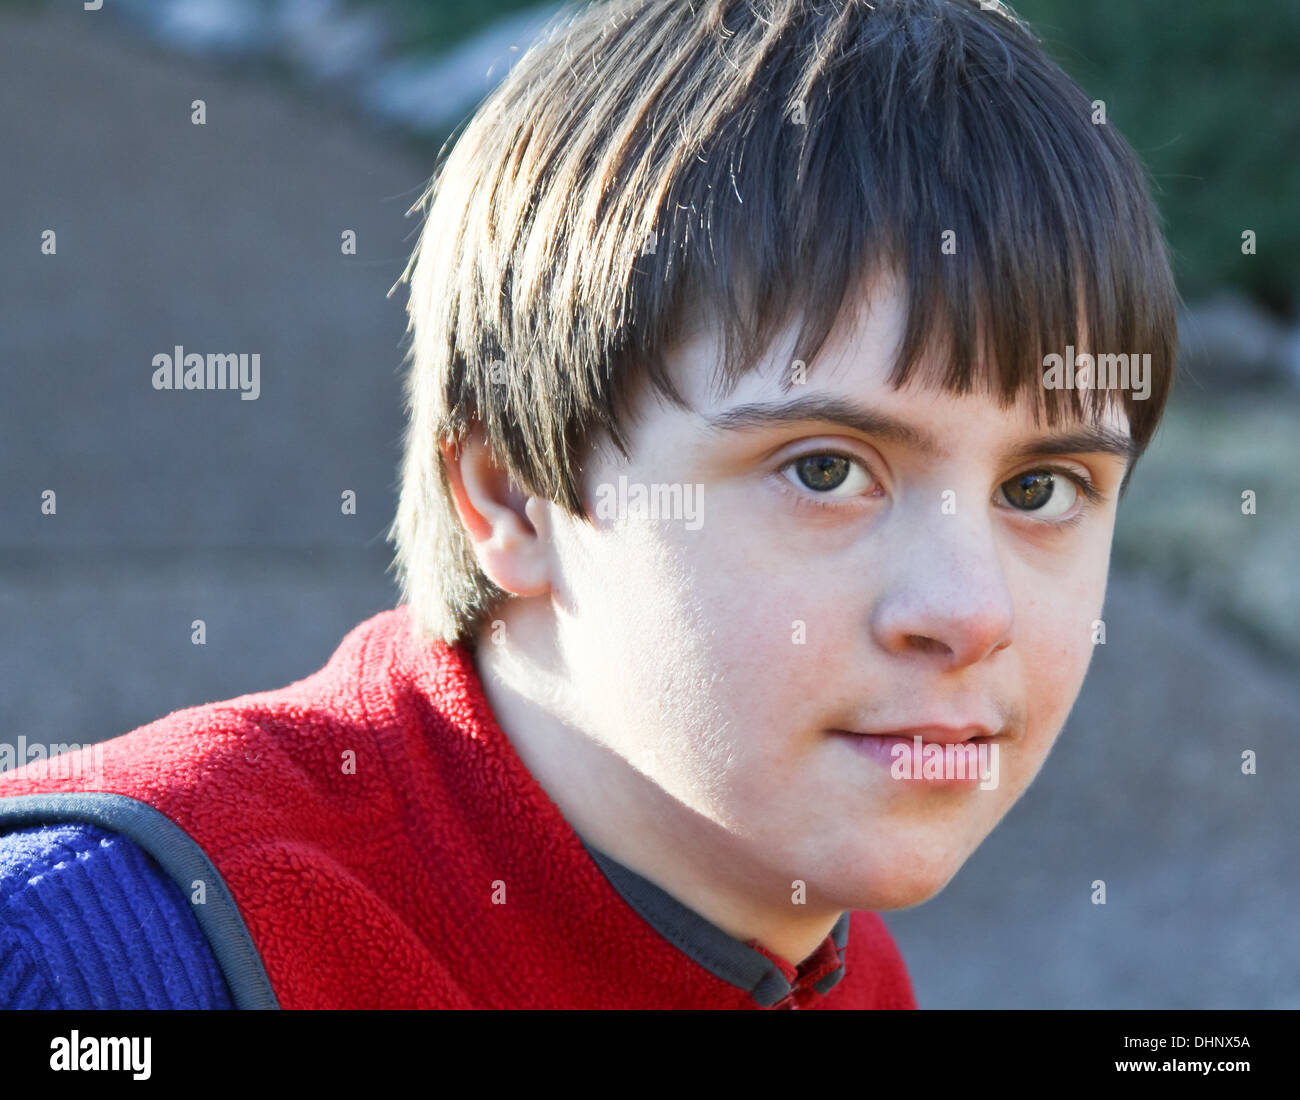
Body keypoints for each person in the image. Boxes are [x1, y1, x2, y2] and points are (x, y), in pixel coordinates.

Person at [0, 0, 1176, 1009]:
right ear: (512, 494)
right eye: (824, 468)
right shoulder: (98, 957)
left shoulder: (831, 955)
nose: (968, 609)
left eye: (1040, 487)